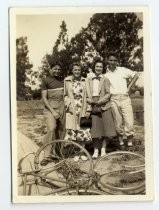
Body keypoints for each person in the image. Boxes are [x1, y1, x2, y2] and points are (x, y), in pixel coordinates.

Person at [105, 52, 139, 147]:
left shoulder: (122, 70)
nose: (113, 62)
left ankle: (130, 143)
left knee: (129, 121)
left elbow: (136, 75)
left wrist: (129, 87)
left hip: (125, 98)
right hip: (114, 99)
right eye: (111, 60)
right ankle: (121, 143)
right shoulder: (106, 75)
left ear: (117, 61)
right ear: (107, 61)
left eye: (115, 60)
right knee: (118, 122)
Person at [86, 60, 116, 158]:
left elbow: (108, 93)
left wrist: (101, 101)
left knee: (105, 129)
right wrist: (90, 101)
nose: (98, 68)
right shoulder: (89, 79)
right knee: (95, 129)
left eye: (100, 67)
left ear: (103, 68)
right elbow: (86, 93)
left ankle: (103, 149)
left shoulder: (105, 79)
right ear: (94, 67)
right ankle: (95, 150)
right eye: (97, 66)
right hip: (93, 104)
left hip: (104, 105)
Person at [64, 63, 91, 162]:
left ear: (81, 71)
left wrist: (88, 109)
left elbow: (88, 96)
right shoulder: (67, 80)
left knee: (82, 131)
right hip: (72, 110)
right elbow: (65, 95)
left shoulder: (85, 81)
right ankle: (76, 152)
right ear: (72, 70)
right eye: (75, 70)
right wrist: (68, 105)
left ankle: (82, 152)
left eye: (78, 70)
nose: (77, 72)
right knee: (73, 131)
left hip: (82, 109)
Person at [40, 63, 65, 166]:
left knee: (61, 130)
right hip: (50, 108)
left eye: (59, 69)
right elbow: (44, 98)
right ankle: (47, 155)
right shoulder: (46, 80)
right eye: (55, 69)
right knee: (51, 128)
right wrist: (53, 111)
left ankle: (59, 154)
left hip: (62, 107)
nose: (57, 71)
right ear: (50, 69)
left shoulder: (63, 80)